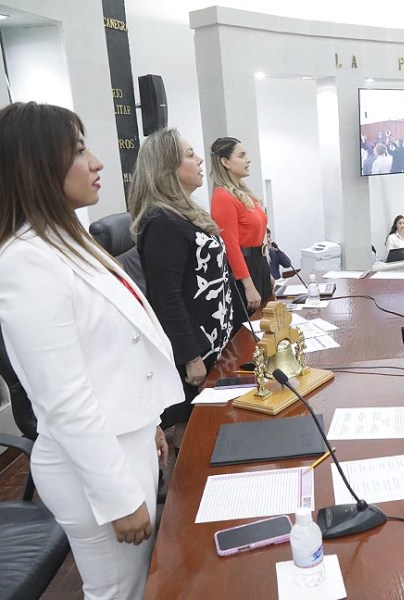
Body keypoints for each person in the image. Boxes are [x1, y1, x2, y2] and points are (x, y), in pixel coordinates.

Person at [0, 101, 183, 598]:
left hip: (126, 442)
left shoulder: (66, 238)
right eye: (80, 151)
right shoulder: (25, 261)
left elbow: (112, 356)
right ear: (36, 165)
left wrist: (148, 425)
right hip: (94, 472)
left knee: (144, 582)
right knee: (119, 591)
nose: (98, 162)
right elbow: (64, 398)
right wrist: (118, 497)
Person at [130, 128, 235, 449]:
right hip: (196, 350)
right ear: (166, 168)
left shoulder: (185, 212)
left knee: (216, 430)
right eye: (190, 155)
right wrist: (191, 356)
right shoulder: (162, 221)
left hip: (217, 339)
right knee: (196, 436)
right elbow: (166, 297)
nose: (200, 159)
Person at [209, 136, 271, 318]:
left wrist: (267, 272)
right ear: (225, 162)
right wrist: (249, 286)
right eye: (242, 155)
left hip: (259, 265)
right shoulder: (222, 197)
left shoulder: (243, 194)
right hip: (244, 272)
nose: (248, 159)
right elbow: (231, 246)